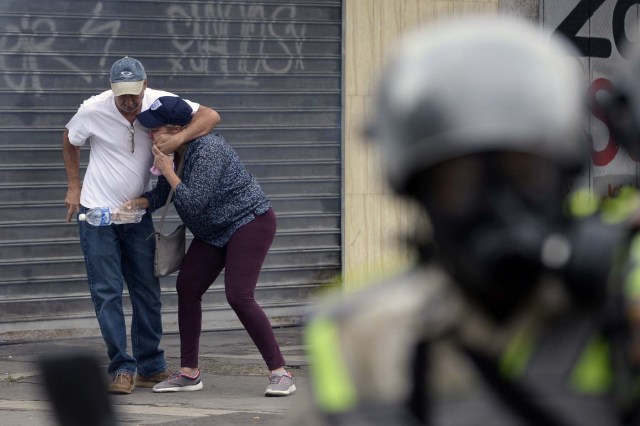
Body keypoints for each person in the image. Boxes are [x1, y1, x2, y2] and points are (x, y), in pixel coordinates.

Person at [302, 17, 640, 426]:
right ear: (414, 192)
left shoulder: (622, 300)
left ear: (566, 174)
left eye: (525, 175)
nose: (499, 206)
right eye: (458, 184)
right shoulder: (361, 336)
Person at [63, 56, 220, 395]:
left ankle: (150, 365)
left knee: (147, 292)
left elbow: (210, 115)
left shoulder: (159, 102)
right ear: (112, 90)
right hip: (98, 215)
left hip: (138, 216)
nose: (129, 102)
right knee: (106, 293)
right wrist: (74, 186)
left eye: (134, 93)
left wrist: (177, 140)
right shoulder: (93, 109)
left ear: (145, 85)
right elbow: (70, 139)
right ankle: (122, 367)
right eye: (122, 96)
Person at [122, 96, 296, 397]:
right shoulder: (176, 152)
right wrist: (133, 205)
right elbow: (163, 194)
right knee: (188, 287)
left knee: (239, 296)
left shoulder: (209, 149)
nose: (151, 135)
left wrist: (167, 168)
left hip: (248, 222)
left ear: (177, 129)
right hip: (212, 231)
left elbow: (193, 202)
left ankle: (280, 373)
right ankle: (189, 373)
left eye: (156, 129)